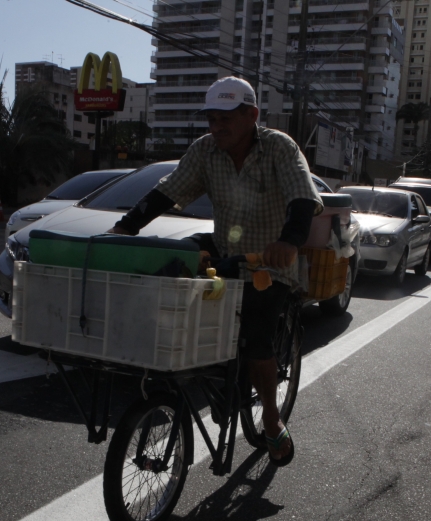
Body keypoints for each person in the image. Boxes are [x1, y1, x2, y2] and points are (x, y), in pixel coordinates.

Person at [109, 76, 323, 465]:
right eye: (211, 118)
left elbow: (302, 198)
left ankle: (272, 423)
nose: (216, 126)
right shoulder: (205, 150)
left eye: (225, 118)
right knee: (171, 266)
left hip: (268, 264)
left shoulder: (279, 147)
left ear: (251, 115)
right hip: (225, 253)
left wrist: (289, 242)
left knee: (257, 333)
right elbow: (168, 190)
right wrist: (126, 227)